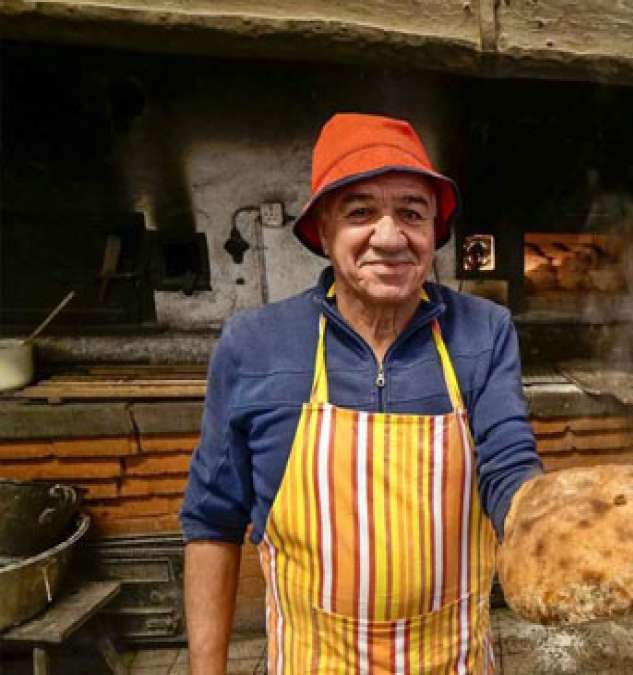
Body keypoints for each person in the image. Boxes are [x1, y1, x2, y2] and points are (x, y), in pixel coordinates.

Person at [180, 113, 542, 674]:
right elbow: (212, 522)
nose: (390, 237)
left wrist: (558, 514)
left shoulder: (484, 332)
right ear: (323, 231)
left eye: (412, 213)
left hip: (454, 662)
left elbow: (509, 463)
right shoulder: (255, 345)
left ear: (434, 233)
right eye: (360, 212)